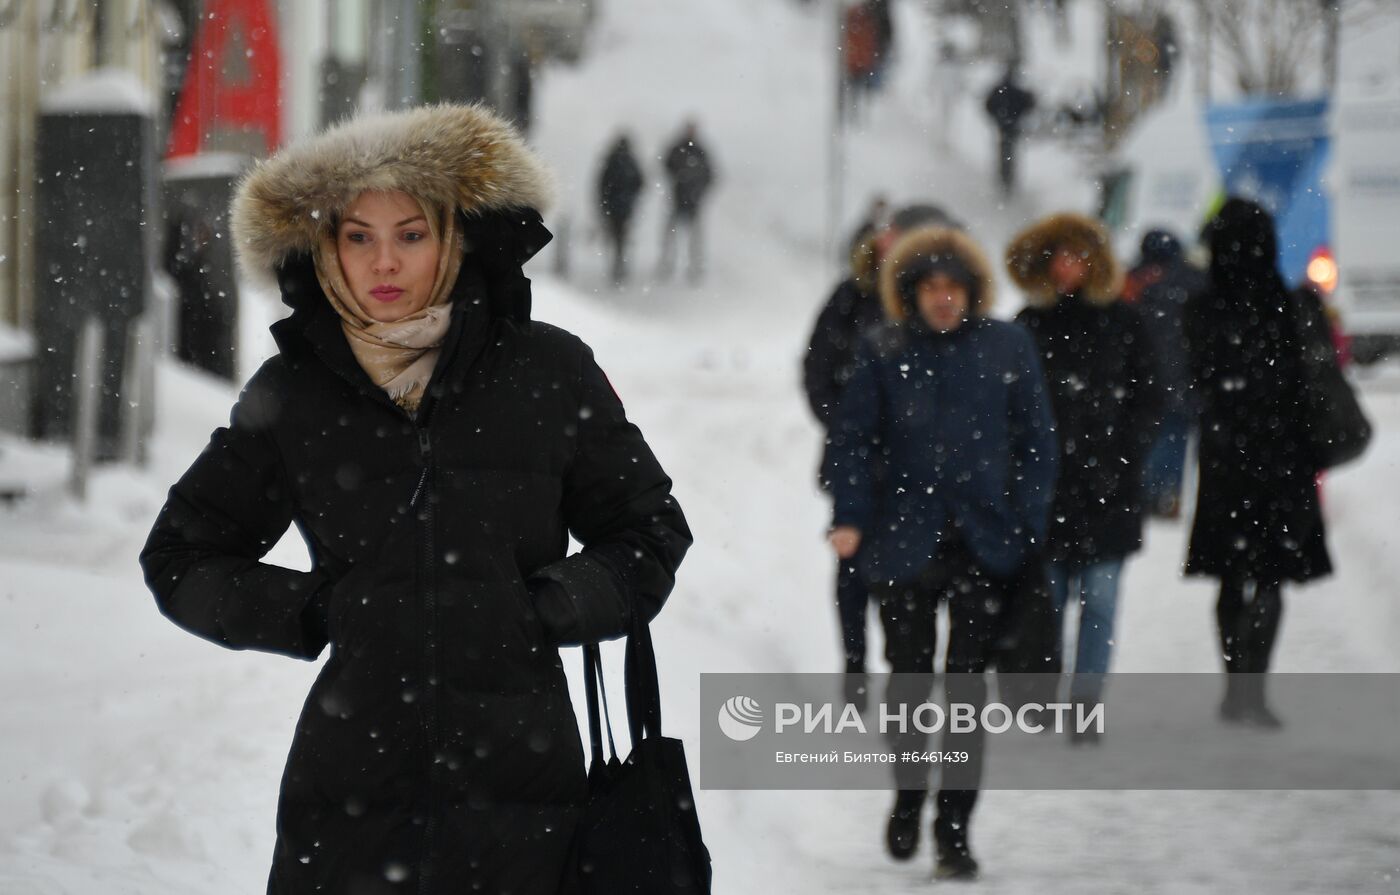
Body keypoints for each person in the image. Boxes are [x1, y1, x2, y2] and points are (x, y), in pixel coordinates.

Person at [139, 104, 692, 894]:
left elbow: (648, 527)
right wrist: (313, 611)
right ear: (325, 247)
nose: (383, 262)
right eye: (357, 236)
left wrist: (558, 603)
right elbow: (179, 556)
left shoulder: (548, 371)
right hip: (350, 800)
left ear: (455, 236)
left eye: (411, 233)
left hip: (525, 795)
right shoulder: (294, 394)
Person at [828, 226, 1057, 880]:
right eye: (930, 288)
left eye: (953, 288)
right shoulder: (884, 349)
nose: (943, 299)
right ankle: (907, 790)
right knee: (908, 679)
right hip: (904, 546)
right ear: (911, 293)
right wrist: (851, 516)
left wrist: (1026, 521)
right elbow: (852, 441)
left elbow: (1038, 442)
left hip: (986, 545)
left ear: (972, 291)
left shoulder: (1008, 345)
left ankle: (953, 826)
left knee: (964, 693)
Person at [1007, 212, 1163, 739]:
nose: (1066, 266)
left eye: (1076, 256)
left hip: (1107, 492)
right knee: (1046, 603)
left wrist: (1123, 455)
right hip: (1046, 494)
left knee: (1099, 602)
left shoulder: (1124, 322)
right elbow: (1005, 405)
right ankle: (1043, 695)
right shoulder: (1028, 325)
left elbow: (1151, 399)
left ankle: (1085, 706)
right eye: (1057, 256)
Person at [804, 203, 962, 710]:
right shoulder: (852, 297)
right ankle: (854, 661)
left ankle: (909, 666)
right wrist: (851, 420)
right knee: (851, 562)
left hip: (919, 472)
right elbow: (817, 367)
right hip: (857, 462)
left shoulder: (936, 304)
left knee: (908, 573)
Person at [1185, 198, 1333, 727]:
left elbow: (1194, 382)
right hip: (1284, 458)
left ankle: (1233, 687)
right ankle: (1255, 690)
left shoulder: (1201, 310)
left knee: (1231, 577)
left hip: (1226, 459)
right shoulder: (1292, 304)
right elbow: (1314, 381)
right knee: (1271, 576)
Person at [1123, 228, 1207, 517]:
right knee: (1174, 436)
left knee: (1151, 436)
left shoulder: (1132, 282)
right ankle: (1166, 494)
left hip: (1146, 378)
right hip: (1182, 378)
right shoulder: (1193, 282)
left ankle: (1148, 492)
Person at [658, 120, 716, 283]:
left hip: (693, 201)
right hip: (678, 199)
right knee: (671, 236)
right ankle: (668, 265)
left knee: (693, 238)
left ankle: (694, 268)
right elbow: (666, 165)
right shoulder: (679, 149)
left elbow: (711, 175)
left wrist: (699, 190)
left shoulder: (699, 151)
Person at [596, 133, 644, 284]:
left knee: (615, 237)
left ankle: (616, 266)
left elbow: (602, 185)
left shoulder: (611, 161)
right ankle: (620, 265)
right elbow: (640, 182)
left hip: (613, 207)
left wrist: (604, 203)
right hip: (625, 208)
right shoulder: (630, 162)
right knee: (621, 238)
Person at [984, 65, 1036, 197]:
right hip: (1012, 126)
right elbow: (1029, 104)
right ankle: (1008, 178)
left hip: (1004, 126)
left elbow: (988, 105)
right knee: (1010, 152)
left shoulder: (999, 90)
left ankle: (1005, 177)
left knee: (1005, 152)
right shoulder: (1016, 91)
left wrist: (997, 118)